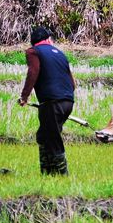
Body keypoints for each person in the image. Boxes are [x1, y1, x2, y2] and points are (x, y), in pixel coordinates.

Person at [18, 27, 76, 175]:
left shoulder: (33, 52)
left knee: (53, 139)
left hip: (52, 102)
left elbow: (33, 72)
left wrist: (24, 96)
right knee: (44, 136)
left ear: (33, 41)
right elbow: (72, 82)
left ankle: (63, 175)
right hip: (67, 101)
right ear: (48, 39)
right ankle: (47, 172)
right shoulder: (61, 54)